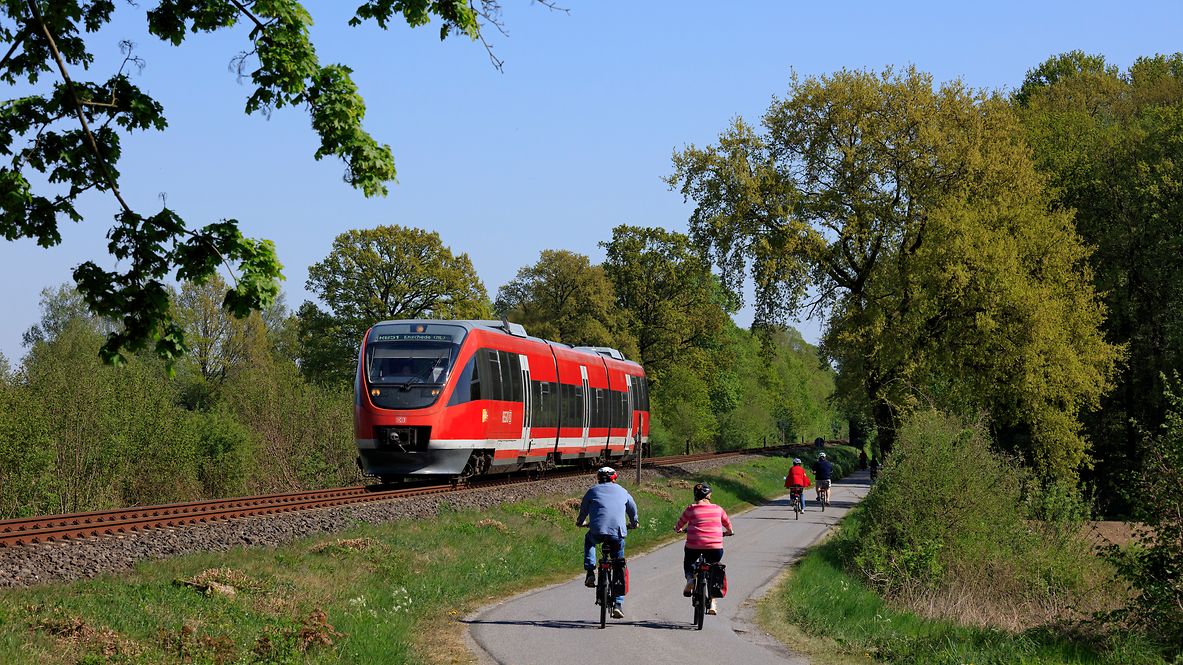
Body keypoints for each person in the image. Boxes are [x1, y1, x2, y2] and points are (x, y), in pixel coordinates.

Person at [576, 466, 638, 619]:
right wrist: (634, 523)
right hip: (617, 533)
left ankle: (590, 572)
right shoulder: (623, 491)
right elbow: (632, 509)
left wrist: (580, 522)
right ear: (614, 478)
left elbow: (583, 510)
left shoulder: (592, 491)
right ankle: (618, 603)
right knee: (619, 564)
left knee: (589, 540)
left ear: (598, 479)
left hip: (597, 531)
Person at [674, 483, 734, 615]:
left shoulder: (691, 509)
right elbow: (728, 524)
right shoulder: (718, 509)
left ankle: (690, 579)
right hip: (714, 546)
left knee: (689, 561)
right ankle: (712, 602)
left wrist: (678, 529)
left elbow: (680, 523)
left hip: (694, 545)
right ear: (709, 495)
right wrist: (729, 531)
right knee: (713, 568)